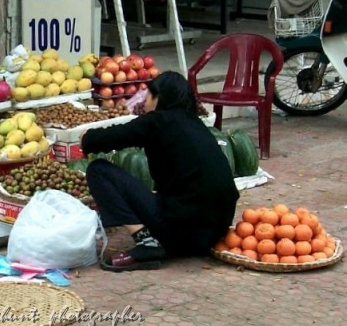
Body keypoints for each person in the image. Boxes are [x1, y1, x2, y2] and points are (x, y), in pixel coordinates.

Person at [80, 71, 239, 272]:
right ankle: (158, 238)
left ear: (158, 98)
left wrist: (85, 137)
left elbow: (104, 139)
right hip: (214, 234)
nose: (145, 101)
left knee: (98, 170)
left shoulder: (157, 121)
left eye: (147, 95)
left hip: (180, 235)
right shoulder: (196, 123)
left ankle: (147, 243)